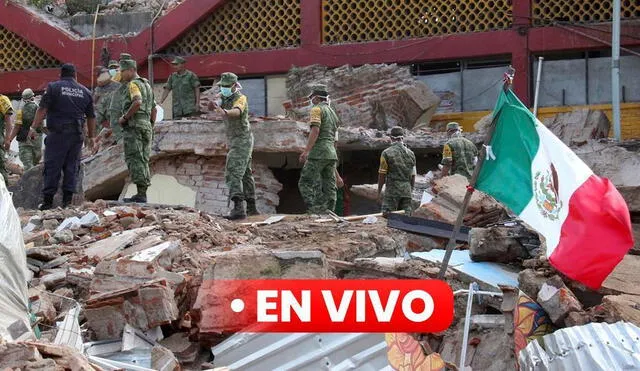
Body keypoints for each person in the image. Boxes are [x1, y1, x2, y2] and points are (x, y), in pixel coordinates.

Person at [30, 64, 97, 210]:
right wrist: (92, 137)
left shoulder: (54, 87)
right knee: (72, 167)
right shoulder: (85, 91)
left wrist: (33, 127)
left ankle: (48, 202)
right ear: (75, 76)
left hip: (58, 134)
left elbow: (42, 109)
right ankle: (67, 202)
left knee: (53, 166)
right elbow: (91, 117)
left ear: (61, 75)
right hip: (77, 135)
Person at [209, 72, 258, 220]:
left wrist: (224, 111)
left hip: (243, 139)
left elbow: (237, 112)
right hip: (235, 140)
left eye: (226, 86)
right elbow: (214, 105)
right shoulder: (224, 97)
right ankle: (252, 208)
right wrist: (213, 105)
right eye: (221, 86)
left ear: (234, 85)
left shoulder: (240, 98)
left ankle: (238, 208)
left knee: (233, 171)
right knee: (246, 174)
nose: (223, 88)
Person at [117, 58, 156, 203]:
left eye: (123, 71)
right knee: (144, 158)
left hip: (134, 126)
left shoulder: (133, 85)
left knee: (135, 158)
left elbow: (137, 101)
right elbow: (153, 109)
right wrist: (150, 125)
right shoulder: (147, 86)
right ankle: (143, 192)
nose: (121, 74)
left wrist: (125, 118)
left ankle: (141, 193)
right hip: (146, 125)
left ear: (132, 70)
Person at [298, 84, 340, 215]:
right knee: (329, 184)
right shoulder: (333, 113)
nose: (312, 100)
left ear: (316, 97)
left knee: (306, 182)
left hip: (319, 152)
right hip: (331, 153)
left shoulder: (316, 109)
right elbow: (335, 139)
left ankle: (315, 209)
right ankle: (329, 210)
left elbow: (315, 130)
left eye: (312, 97)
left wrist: (306, 151)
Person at [377, 126, 417, 217]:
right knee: (405, 220)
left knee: (388, 218)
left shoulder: (386, 153)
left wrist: (379, 192)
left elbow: (382, 174)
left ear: (391, 138)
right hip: (407, 191)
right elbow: (413, 175)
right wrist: (411, 190)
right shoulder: (411, 154)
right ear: (402, 138)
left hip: (392, 191)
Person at [4, 89, 42, 171]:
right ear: (33, 97)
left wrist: (9, 140)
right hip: (36, 140)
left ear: (23, 99)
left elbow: (16, 127)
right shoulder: (39, 110)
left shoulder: (20, 111)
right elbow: (44, 126)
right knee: (35, 164)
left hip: (24, 141)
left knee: (28, 166)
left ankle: (28, 181)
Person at [109, 54, 133, 143]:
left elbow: (112, 84)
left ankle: (120, 140)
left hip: (118, 101)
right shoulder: (133, 72)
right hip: (129, 101)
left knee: (115, 122)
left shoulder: (120, 72)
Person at [94, 66, 121, 133]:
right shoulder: (98, 88)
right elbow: (94, 101)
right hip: (101, 110)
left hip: (112, 110)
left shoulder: (117, 85)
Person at [0, 93, 14, 185]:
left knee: (1, 167)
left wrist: (8, 139)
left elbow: (8, 121)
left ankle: (4, 192)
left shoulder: (3, 100)